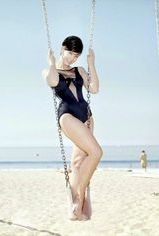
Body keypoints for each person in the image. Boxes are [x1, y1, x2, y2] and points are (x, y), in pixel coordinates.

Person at [42, 36, 103, 220]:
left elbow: (94, 89)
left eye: (76, 55)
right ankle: (79, 197)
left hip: (87, 117)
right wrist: (52, 62)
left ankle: (75, 209)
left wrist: (91, 63)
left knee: (77, 162)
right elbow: (53, 81)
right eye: (70, 53)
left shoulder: (80, 70)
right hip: (68, 117)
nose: (72, 58)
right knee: (96, 152)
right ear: (62, 49)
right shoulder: (48, 70)